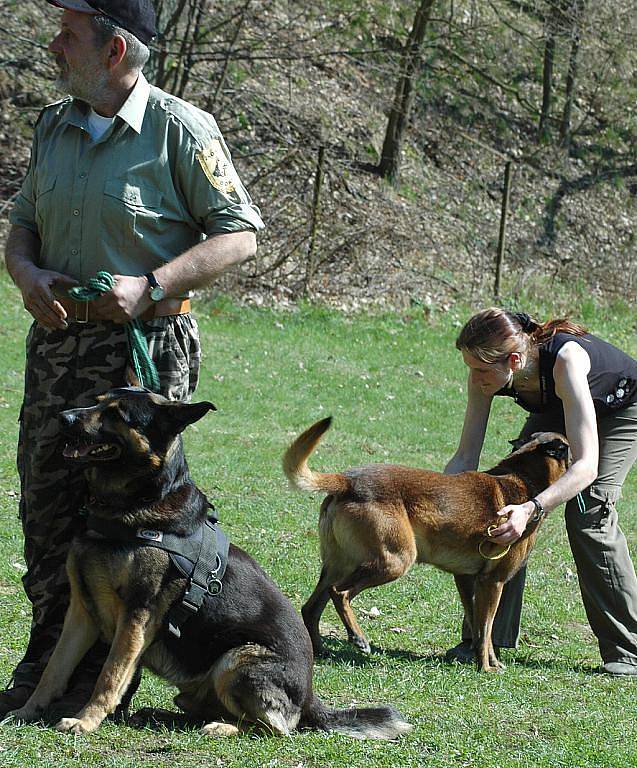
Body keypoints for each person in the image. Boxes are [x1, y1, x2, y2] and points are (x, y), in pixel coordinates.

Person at [1, 0, 264, 718]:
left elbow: (239, 235)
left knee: (131, 521)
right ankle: (47, 667)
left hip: (142, 354)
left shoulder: (181, 129)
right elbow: (22, 224)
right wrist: (26, 275)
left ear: (114, 51)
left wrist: (153, 284)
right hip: (58, 343)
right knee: (48, 508)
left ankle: (107, 679)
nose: (53, 46)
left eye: (68, 35)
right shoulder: (53, 124)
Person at [444, 308, 637, 676]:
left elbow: (586, 466)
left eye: (481, 370)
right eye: (470, 367)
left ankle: (628, 647)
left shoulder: (566, 362)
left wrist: (532, 508)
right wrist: (435, 500)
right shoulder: (488, 373)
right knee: (505, 497)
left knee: (588, 511)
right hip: (556, 405)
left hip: (623, 409)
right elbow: (467, 455)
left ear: (514, 360)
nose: (474, 377)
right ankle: (485, 640)